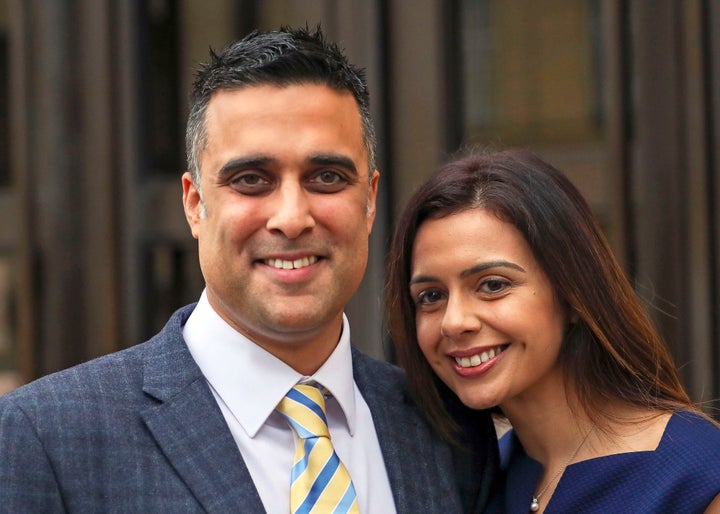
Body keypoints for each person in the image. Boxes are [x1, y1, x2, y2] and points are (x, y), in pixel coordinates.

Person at [0, 27, 498, 513]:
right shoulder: (46, 438)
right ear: (194, 204)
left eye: (326, 177)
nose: (291, 218)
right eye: (251, 179)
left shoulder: (449, 431)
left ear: (369, 199)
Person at [386, 148, 720, 513]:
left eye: (493, 285)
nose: (454, 321)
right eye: (431, 296)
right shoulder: (475, 479)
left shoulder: (695, 475)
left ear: (573, 294)